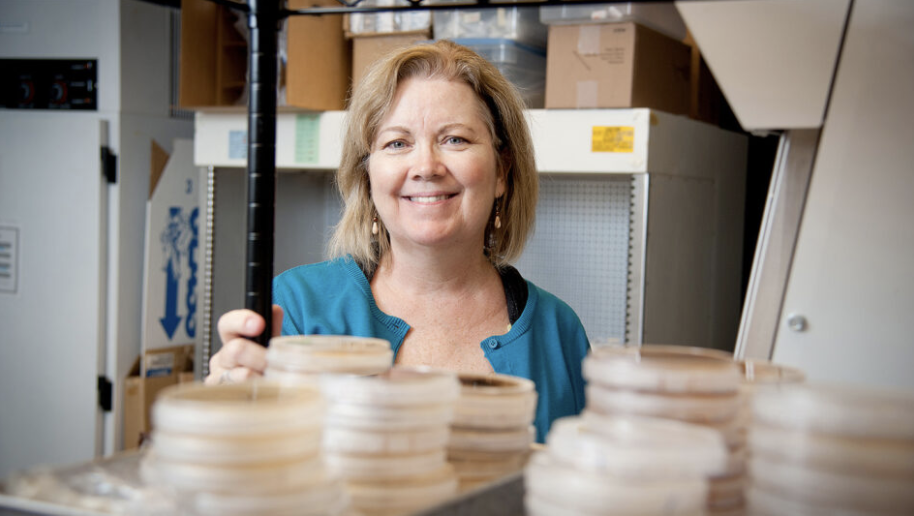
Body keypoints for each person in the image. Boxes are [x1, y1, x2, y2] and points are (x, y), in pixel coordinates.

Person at [207, 40, 589, 441]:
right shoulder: (297, 308)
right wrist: (228, 411)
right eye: (397, 143)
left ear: (501, 172)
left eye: (455, 139)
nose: (425, 166)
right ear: (368, 175)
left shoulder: (558, 331)